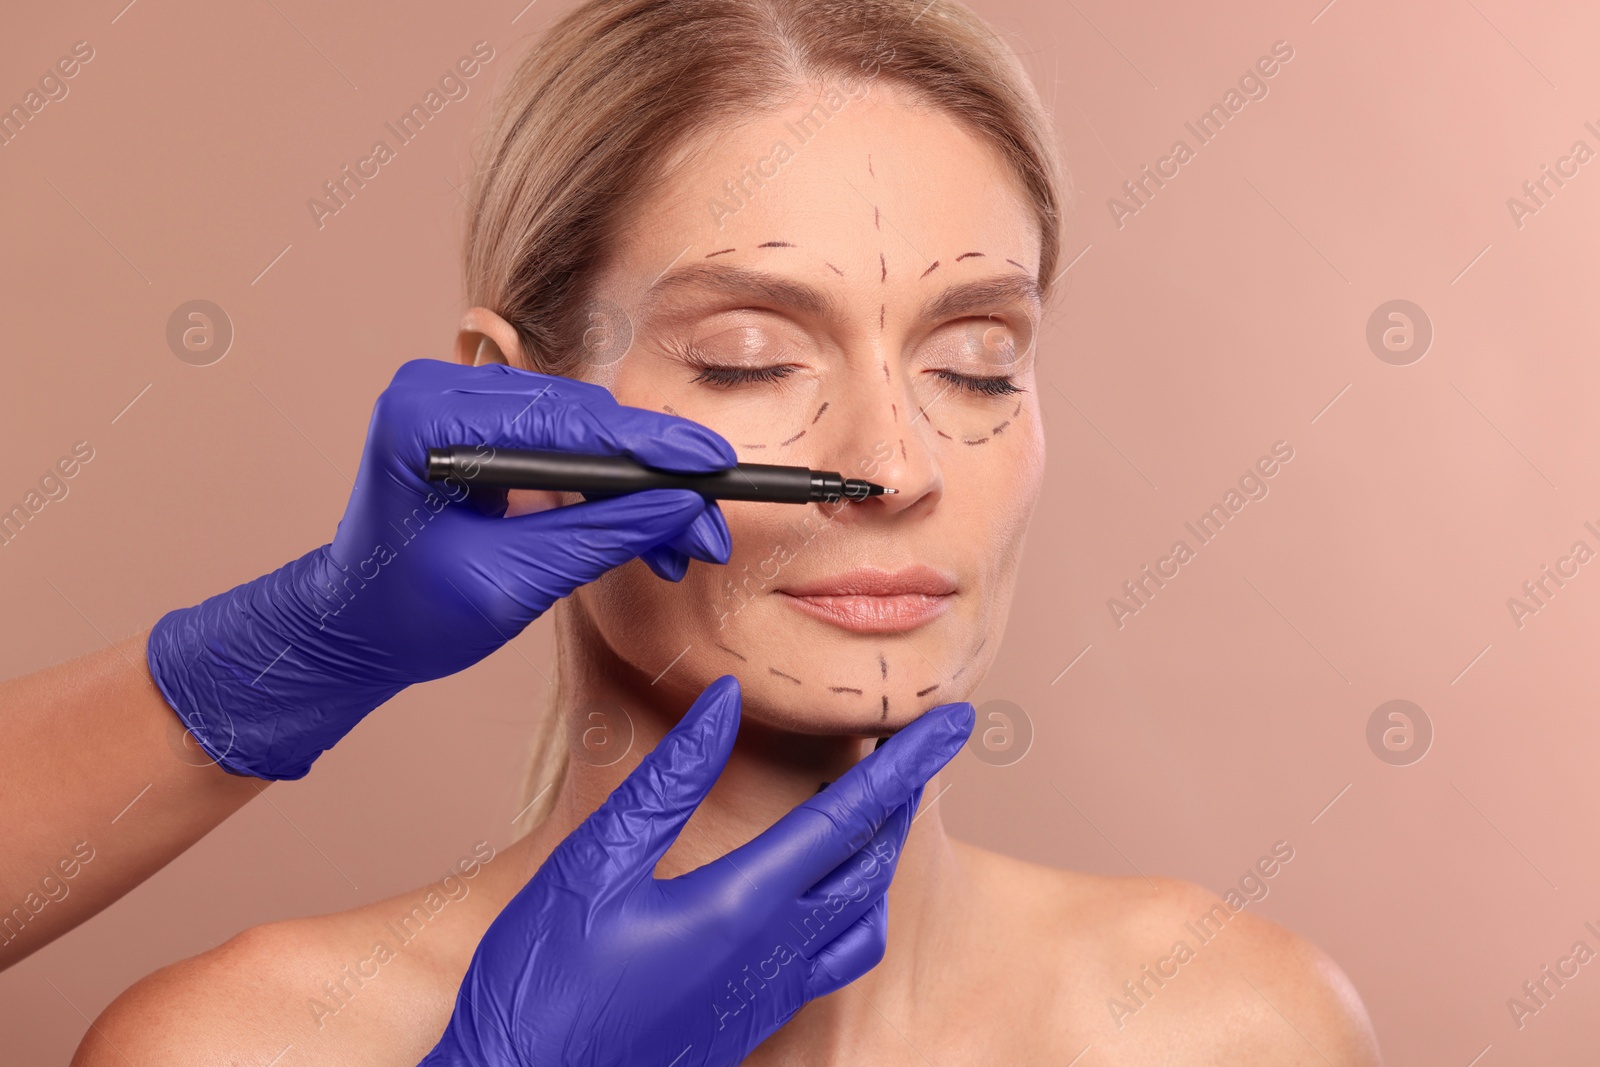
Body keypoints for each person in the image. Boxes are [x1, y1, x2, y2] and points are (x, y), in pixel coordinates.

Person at [74, 0, 1385, 1063]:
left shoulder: (1233, 1026)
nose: (890, 465)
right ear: (512, 411)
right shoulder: (240, 1045)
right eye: (750, 358)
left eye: (980, 363)